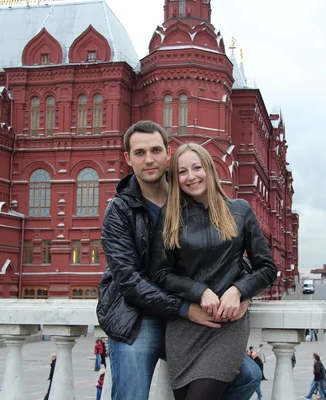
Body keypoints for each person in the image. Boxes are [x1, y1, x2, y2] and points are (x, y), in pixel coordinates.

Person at [97, 121, 263, 400]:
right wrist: (185, 309)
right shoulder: (119, 211)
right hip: (138, 316)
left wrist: (243, 291)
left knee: (248, 376)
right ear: (128, 158)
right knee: (132, 395)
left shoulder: (191, 192)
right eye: (139, 153)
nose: (148, 159)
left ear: (167, 153)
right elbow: (129, 281)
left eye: (155, 150)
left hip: (187, 317)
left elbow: (229, 253)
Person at [149, 142, 278, 400]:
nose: (191, 176)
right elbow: (160, 274)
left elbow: (267, 268)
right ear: (175, 178)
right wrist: (200, 291)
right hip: (186, 324)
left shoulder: (239, 210)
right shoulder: (170, 216)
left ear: (209, 168)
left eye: (197, 168)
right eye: (182, 172)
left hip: (226, 325)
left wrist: (239, 291)